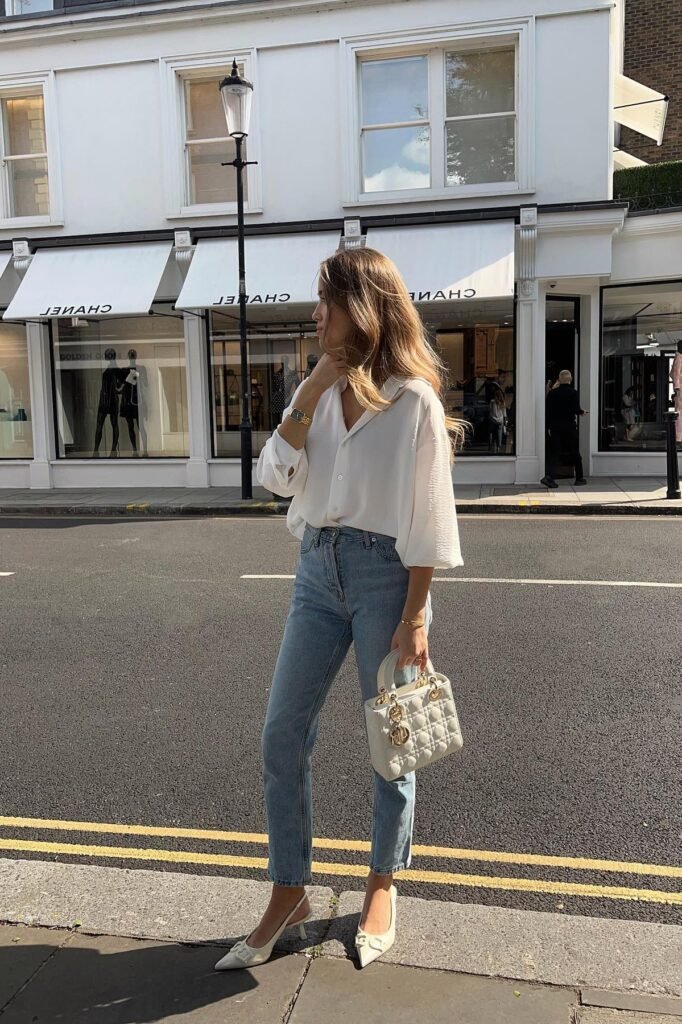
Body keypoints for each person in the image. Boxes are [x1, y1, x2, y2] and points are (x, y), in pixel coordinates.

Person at [215, 247, 466, 973]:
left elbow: (430, 517)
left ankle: (382, 882)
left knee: (391, 742)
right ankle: (289, 890)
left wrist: (415, 616)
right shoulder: (317, 391)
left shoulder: (413, 398)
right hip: (316, 569)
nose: (315, 312)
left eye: (326, 300)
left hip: (386, 574)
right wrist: (310, 391)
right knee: (281, 733)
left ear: (361, 306)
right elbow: (273, 478)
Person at [541, 369, 587, 487]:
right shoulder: (573, 393)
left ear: (559, 380)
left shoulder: (552, 393)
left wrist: (548, 427)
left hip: (555, 426)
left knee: (555, 452)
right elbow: (575, 409)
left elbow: (548, 411)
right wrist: (582, 412)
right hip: (569, 426)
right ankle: (579, 478)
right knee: (574, 451)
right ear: (570, 380)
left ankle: (549, 476)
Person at [488, 387, 507, 453]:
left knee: (491, 432)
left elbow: (489, 409)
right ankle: (499, 447)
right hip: (500, 420)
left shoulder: (492, 401)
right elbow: (504, 413)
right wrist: (505, 421)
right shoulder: (503, 402)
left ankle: (490, 446)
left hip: (492, 419)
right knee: (499, 434)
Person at [670, 340, 682, 446]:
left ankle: (679, 437)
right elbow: (675, 373)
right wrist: (677, 388)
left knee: (679, 412)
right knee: (679, 413)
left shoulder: (678, 357)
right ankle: (679, 437)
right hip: (681, 389)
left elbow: (672, 373)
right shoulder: (679, 357)